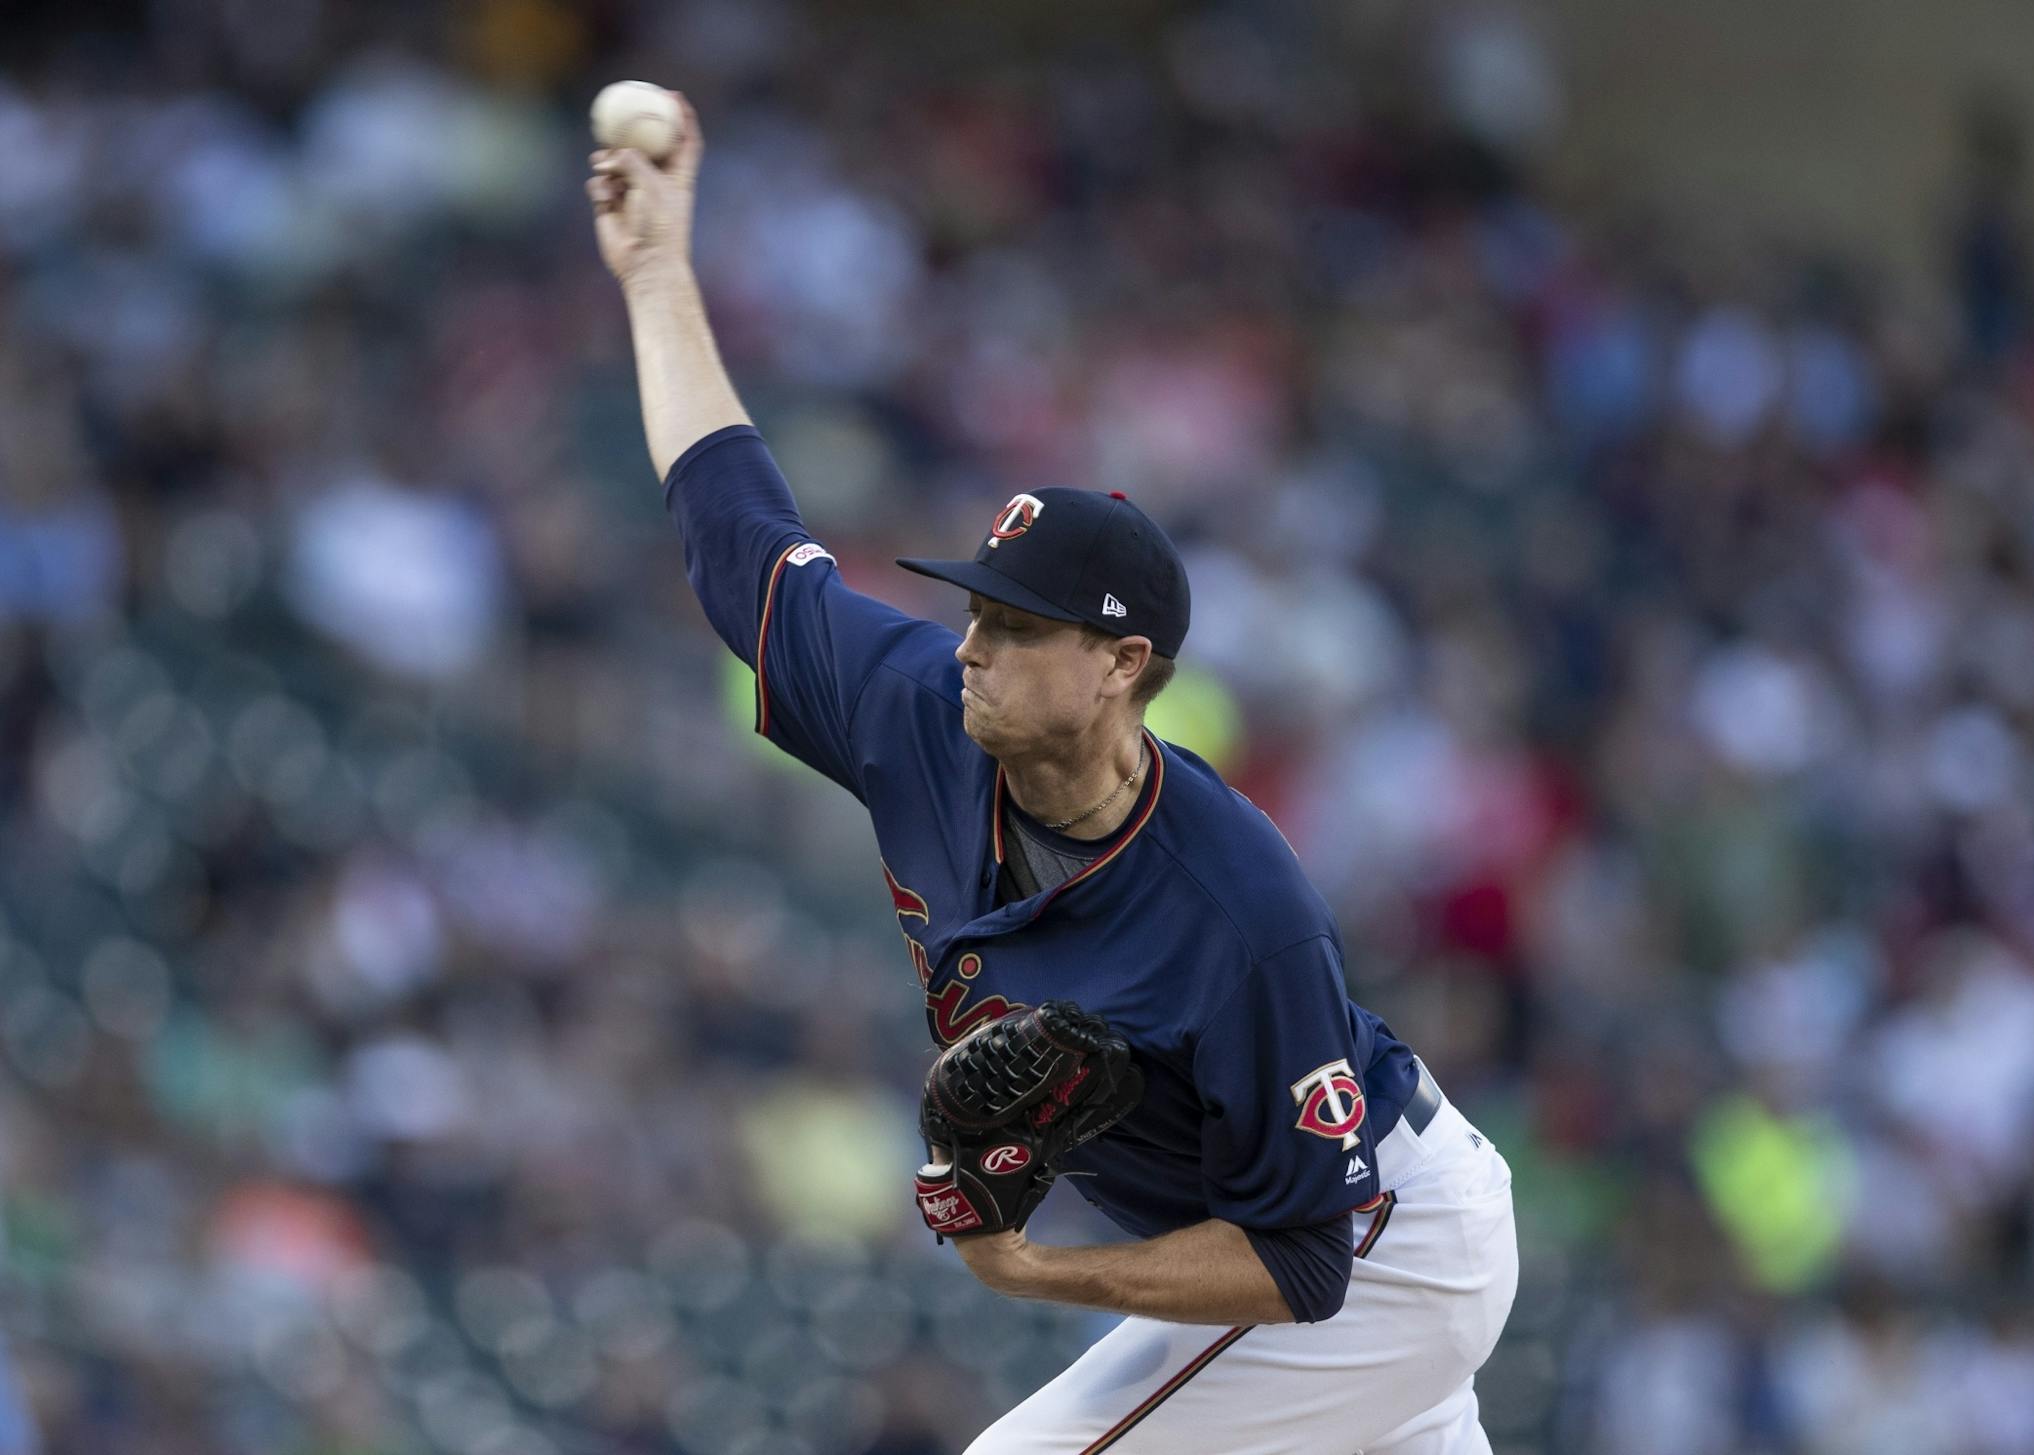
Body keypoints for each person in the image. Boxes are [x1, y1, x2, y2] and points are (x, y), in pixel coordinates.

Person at [588, 95, 1519, 1455]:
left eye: (1017, 629)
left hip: (1384, 1252)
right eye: (974, 610)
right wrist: (660, 272)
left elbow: (1307, 1266)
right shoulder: (918, 714)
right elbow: (739, 539)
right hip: (1326, 1258)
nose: (970, 646)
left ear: (1119, 666)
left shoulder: (1237, 905)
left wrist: (1037, 1273)